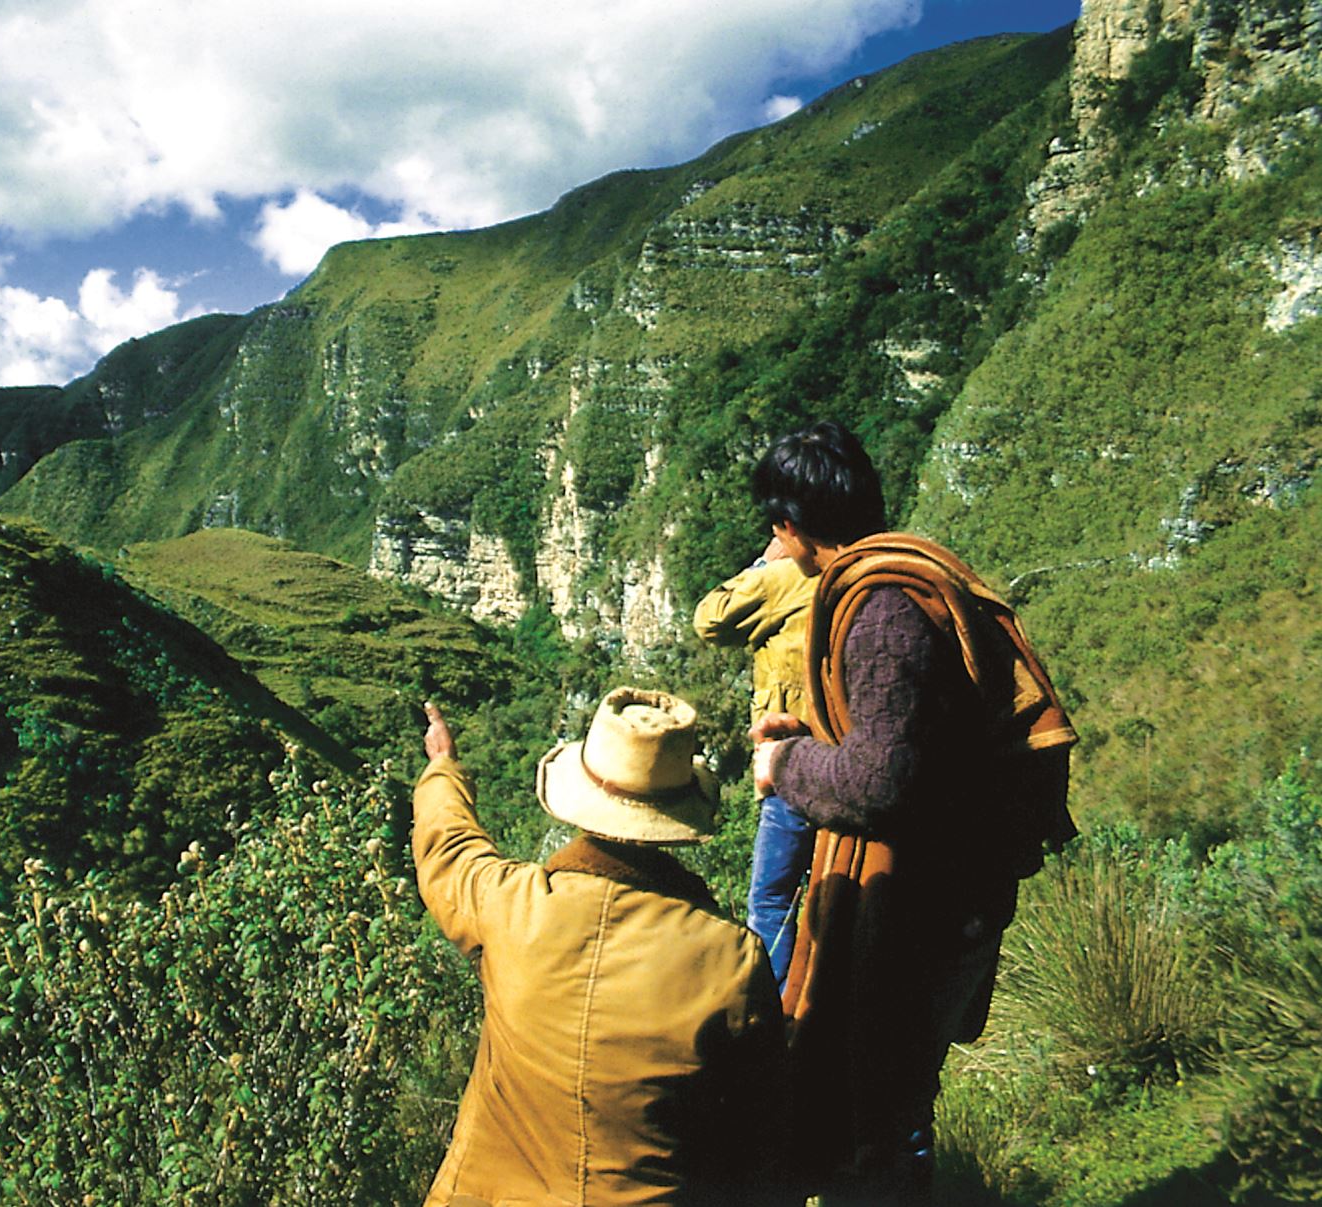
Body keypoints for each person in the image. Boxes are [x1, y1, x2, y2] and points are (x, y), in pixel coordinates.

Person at [747, 421, 1076, 1204]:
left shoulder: (881, 611)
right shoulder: (904, 574)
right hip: (950, 887)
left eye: (774, 520)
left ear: (789, 526)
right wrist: (817, 734)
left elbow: (884, 779)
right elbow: (904, 734)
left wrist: (785, 763)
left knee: (882, 1104)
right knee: (892, 1092)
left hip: (924, 903)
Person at [413, 689, 795, 1206]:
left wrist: (444, 767)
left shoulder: (509, 905)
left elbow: (449, 846)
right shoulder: (730, 958)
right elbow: (760, 1136)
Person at [693, 535, 817, 992]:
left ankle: (774, 1010)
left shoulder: (786, 578)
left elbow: (709, 619)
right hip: (850, 758)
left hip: (790, 765)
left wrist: (766, 560)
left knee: (771, 900)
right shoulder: (869, 574)